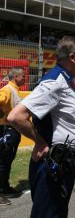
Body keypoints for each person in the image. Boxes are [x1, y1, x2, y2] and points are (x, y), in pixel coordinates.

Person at [7, 36, 75, 217]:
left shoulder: (68, 80)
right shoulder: (55, 81)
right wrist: (41, 142)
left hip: (63, 161)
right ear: (73, 57)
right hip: (52, 162)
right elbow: (16, 116)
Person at [0, 68, 25, 201]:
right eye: (23, 76)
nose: (25, 78)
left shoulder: (14, 89)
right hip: (7, 131)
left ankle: (4, 186)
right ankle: (3, 189)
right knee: (4, 162)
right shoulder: (8, 89)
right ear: (16, 76)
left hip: (11, 130)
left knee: (7, 161)